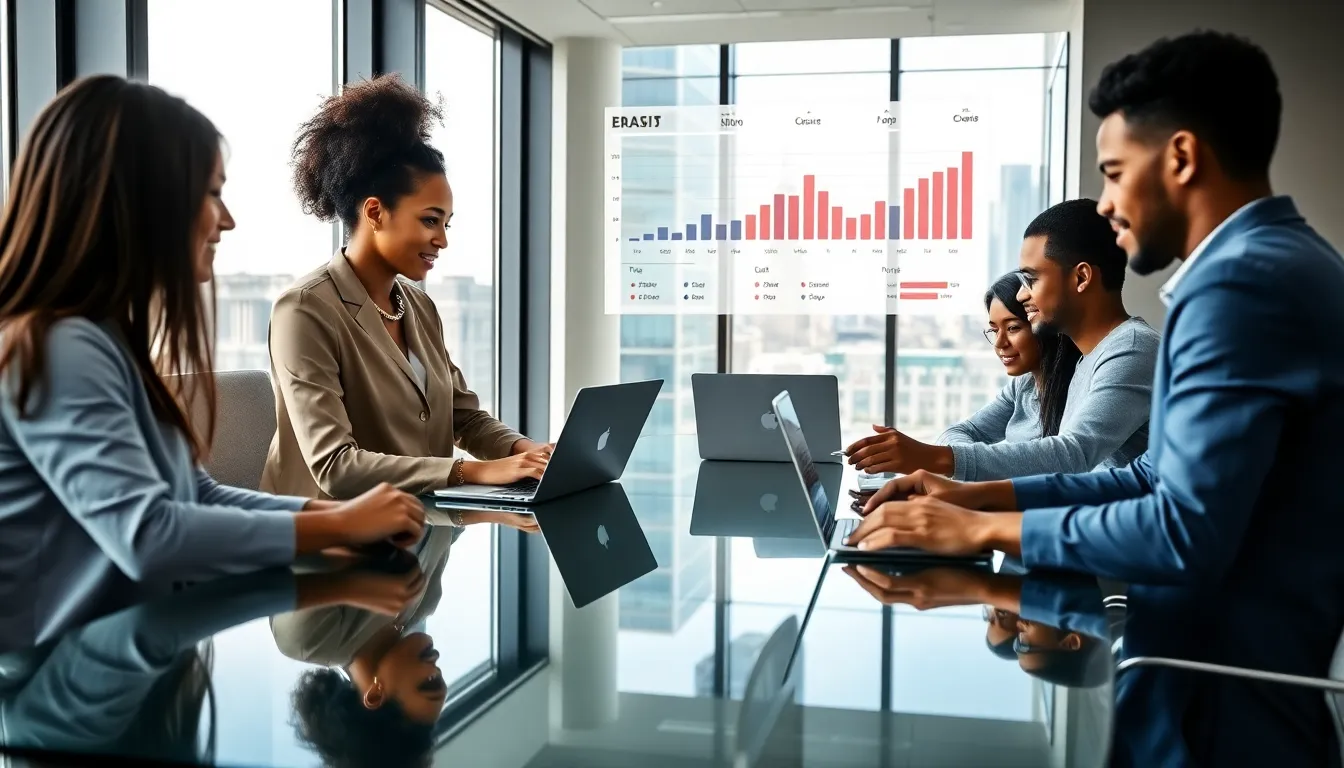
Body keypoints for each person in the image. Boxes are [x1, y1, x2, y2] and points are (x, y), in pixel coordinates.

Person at [848, 31, 1344, 766]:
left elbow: (1181, 531)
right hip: (1218, 687)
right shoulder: (1279, 263)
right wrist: (974, 498)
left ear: (1180, 157)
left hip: (1214, 708)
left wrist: (976, 533)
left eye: (1114, 172)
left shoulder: (1241, 285)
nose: (1107, 205)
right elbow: (1151, 477)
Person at [0, 75, 426, 647]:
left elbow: (197, 496)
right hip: (68, 702)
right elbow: (149, 534)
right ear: (141, 202)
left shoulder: (102, 342)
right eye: (211, 193)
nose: (226, 221)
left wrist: (331, 523)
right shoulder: (60, 348)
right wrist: (340, 523)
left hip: (128, 665)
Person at [263, 74, 549, 501]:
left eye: (446, 224)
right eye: (430, 220)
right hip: (329, 543)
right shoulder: (304, 310)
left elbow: (462, 417)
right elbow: (334, 466)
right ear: (375, 212)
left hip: (415, 529)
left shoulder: (417, 305)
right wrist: (473, 471)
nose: (443, 240)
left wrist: (526, 453)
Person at [844, 199, 1158, 481]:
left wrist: (933, 457)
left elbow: (1073, 454)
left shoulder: (1131, 349)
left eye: (1031, 279)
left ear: (1081, 278)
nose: (1023, 294)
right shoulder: (1085, 360)